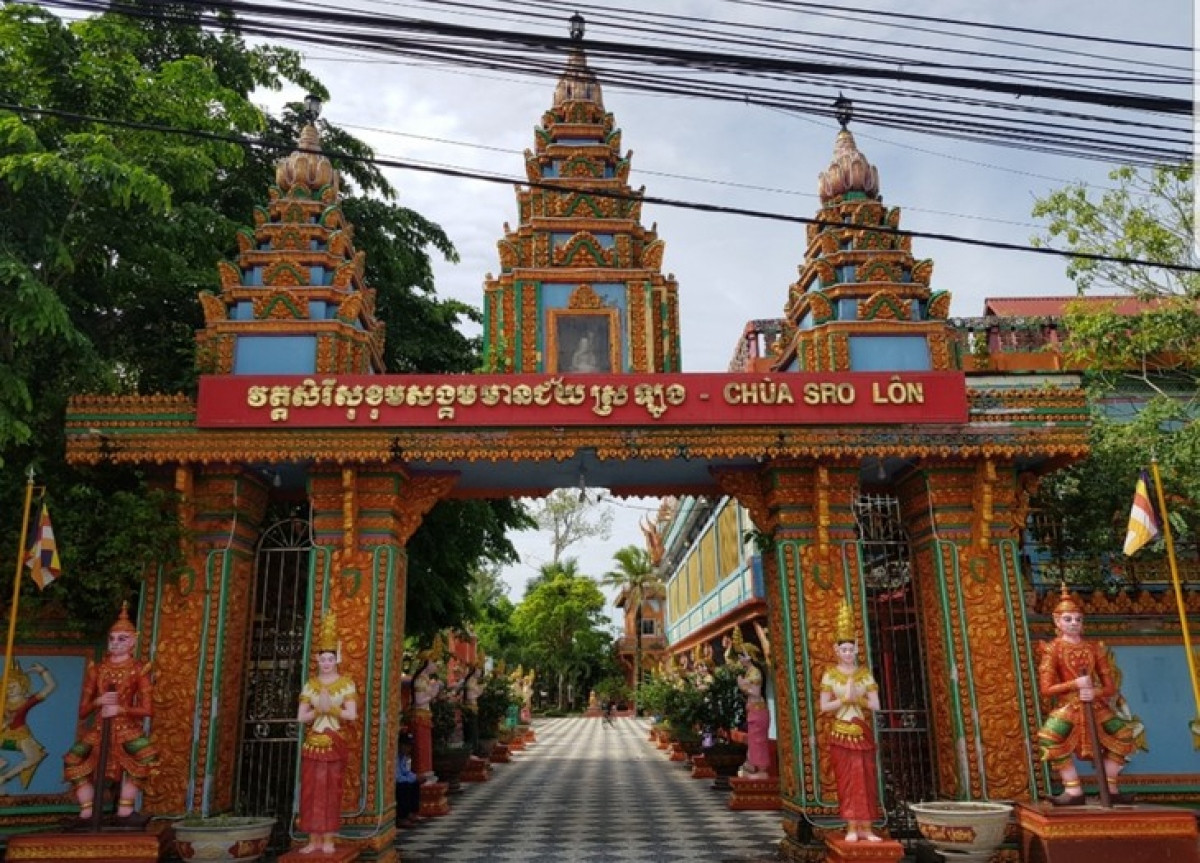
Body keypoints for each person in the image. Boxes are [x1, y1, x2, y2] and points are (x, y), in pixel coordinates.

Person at [1036, 585, 1138, 805]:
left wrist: (1094, 692)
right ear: (1057, 622)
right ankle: (1073, 789)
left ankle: (1110, 787)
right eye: (1068, 619)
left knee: (1124, 735)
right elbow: (1046, 688)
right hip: (1069, 706)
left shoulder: (1094, 648)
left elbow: (1110, 687)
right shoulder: (1053, 650)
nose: (1074, 623)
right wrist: (1075, 684)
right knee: (1049, 737)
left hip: (1095, 705)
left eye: (1078, 619)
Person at [63, 602, 160, 820]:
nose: (115, 643)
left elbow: (148, 709)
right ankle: (87, 808)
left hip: (126, 729)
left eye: (122, 639)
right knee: (72, 760)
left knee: (149, 757)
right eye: (112, 639)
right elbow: (83, 711)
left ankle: (125, 806)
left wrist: (121, 708)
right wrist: (98, 701)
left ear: (133, 642)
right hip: (99, 728)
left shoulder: (138, 670)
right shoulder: (97, 670)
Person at [819, 603, 882, 843]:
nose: (847, 653)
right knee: (847, 781)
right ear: (836, 650)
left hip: (861, 731)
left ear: (856, 648)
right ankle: (851, 826)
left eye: (851, 649)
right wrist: (844, 699)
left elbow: (875, 704)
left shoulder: (864, 674)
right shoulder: (830, 674)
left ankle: (867, 827)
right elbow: (824, 707)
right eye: (843, 649)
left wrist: (859, 699)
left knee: (865, 779)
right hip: (842, 732)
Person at [296, 612, 358, 855]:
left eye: (330, 659)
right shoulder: (310, 685)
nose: (326, 663)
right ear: (317, 660)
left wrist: (330, 708)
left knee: (331, 790)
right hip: (313, 741)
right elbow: (301, 717)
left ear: (337, 660)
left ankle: (329, 838)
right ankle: (313, 839)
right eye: (323, 659)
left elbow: (351, 715)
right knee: (311, 791)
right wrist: (317, 711)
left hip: (333, 741)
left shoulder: (345, 684)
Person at [0, 659, 56, 788]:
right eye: (7, 686)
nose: (10, 689)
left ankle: (4, 778)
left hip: (21, 735)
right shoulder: (3, 703)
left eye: (13, 686)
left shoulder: (27, 702)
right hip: (4, 734)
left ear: (22, 685)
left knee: (34, 757)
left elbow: (50, 686)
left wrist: (43, 671)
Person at [726, 630, 771, 777]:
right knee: (753, 740)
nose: (740, 659)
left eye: (742, 655)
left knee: (758, 740)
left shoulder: (755, 672)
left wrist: (742, 686)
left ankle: (761, 769)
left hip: (758, 710)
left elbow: (756, 693)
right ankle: (751, 765)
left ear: (750, 656)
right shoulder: (749, 672)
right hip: (753, 710)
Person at [394, 733, 421, 829]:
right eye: (406, 745)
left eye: (410, 746)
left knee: (415, 783)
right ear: (400, 745)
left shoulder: (403, 757)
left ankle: (411, 812)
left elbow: (406, 772)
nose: (408, 748)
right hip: (395, 783)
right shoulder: (394, 757)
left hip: (401, 780)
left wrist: (416, 777)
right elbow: (397, 777)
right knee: (404, 786)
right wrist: (412, 778)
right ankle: (401, 817)